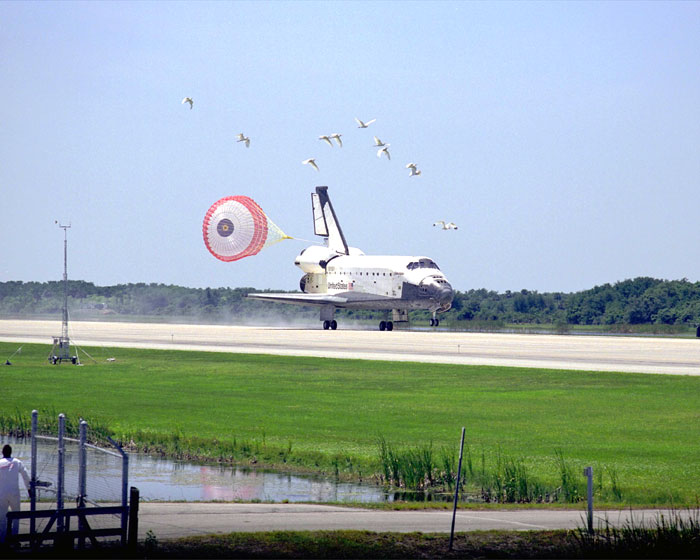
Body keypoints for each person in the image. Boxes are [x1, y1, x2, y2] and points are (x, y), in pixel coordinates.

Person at [0, 444, 31, 544]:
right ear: (11, 452)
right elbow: (25, 475)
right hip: (14, 492)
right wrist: (29, 489)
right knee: (16, 516)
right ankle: (14, 539)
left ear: (2, 452)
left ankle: (2, 539)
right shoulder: (17, 462)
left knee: (2, 518)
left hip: (1, 493)